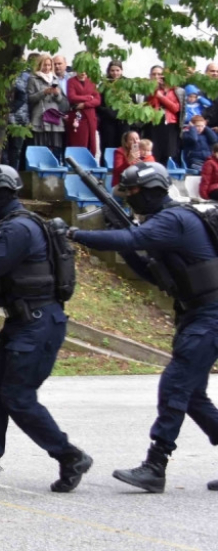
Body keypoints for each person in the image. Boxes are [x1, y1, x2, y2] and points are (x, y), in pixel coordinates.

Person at [68, 163, 218, 493]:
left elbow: (132, 237)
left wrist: (74, 233)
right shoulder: (164, 222)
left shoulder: (173, 220)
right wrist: (119, 240)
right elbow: (153, 273)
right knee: (191, 394)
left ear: (152, 191)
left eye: (134, 192)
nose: (130, 199)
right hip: (196, 313)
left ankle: (155, 466)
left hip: (210, 314)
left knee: (175, 386)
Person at [0, 165, 92, 493]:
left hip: (37, 324)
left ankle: (69, 456)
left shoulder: (19, 229)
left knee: (17, 397)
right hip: (23, 322)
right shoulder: (14, 225)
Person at [27, 54, 68, 160]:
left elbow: (60, 101)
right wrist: (43, 92)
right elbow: (30, 99)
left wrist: (56, 93)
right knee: (40, 146)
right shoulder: (33, 78)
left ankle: (54, 169)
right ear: (40, 65)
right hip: (39, 116)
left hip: (54, 116)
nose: (47, 68)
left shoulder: (55, 78)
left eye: (49, 65)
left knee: (55, 147)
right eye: (45, 65)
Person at [145, 65, 181, 165]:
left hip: (170, 124)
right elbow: (148, 105)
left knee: (168, 152)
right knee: (155, 152)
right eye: (154, 74)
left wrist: (161, 97)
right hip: (154, 124)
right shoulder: (147, 90)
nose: (157, 77)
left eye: (160, 74)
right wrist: (155, 90)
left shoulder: (174, 90)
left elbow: (175, 108)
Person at [65, 66, 101, 156]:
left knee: (91, 142)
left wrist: (85, 104)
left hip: (90, 116)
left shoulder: (92, 82)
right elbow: (72, 97)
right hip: (78, 115)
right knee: (79, 141)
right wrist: (89, 97)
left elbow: (97, 100)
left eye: (85, 71)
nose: (83, 73)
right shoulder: (71, 81)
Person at [97, 60, 129, 153]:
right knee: (108, 145)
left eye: (117, 70)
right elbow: (99, 104)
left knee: (123, 145)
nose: (115, 73)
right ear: (109, 71)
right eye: (112, 70)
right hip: (108, 121)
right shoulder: (104, 84)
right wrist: (108, 111)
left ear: (121, 71)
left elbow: (132, 102)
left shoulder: (127, 84)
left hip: (123, 120)